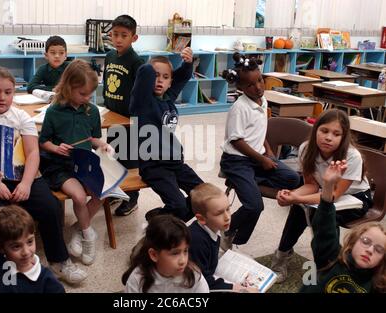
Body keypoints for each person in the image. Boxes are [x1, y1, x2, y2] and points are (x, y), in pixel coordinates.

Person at [0, 66, 87, 285]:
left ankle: (60, 260)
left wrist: (27, 183)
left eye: (8, 92)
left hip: (21, 174)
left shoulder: (21, 116)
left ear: (14, 93)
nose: (2, 97)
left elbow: (32, 153)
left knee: (50, 207)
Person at [272, 109, 373, 283]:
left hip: (355, 198)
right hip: (324, 193)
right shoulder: (305, 148)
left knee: (322, 215)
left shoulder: (351, 156)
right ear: (316, 129)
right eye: (324, 131)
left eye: (336, 134)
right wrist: (291, 195)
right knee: (299, 209)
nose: (328, 137)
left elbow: (332, 195)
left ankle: (329, 265)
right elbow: (311, 185)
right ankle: (282, 254)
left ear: (344, 137)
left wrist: (298, 199)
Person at [220, 53, 300, 249]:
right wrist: (262, 159)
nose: (258, 87)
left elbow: (260, 130)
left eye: (260, 80)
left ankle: (249, 184)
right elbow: (237, 141)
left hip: (256, 158)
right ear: (240, 88)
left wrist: (269, 153)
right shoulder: (240, 108)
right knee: (255, 206)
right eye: (250, 85)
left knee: (293, 179)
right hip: (236, 161)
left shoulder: (262, 101)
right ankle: (228, 231)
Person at [39, 59, 113, 266]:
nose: (87, 98)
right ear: (68, 87)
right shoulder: (54, 111)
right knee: (79, 198)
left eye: (90, 94)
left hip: (85, 163)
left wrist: (103, 145)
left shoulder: (91, 111)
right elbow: (43, 141)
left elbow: (93, 138)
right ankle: (89, 236)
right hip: (59, 165)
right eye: (82, 94)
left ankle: (78, 228)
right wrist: (57, 148)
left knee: (105, 191)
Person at [130, 47, 204, 222]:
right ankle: (159, 223)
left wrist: (187, 63)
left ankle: (165, 218)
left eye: (165, 77)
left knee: (203, 196)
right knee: (179, 205)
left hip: (175, 162)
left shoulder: (168, 97)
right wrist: (149, 67)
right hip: (153, 166)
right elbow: (143, 76)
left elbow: (182, 77)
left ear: (171, 82)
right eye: (155, 76)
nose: (159, 81)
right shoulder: (143, 101)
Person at [0, 170, 65, 293]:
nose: (26, 252)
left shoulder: (47, 281)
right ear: (1, 247)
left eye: (30, 242)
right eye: (16, 246)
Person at [301, 160, 386, 293]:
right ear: (353, 242)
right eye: (365, 241)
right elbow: (325, 228)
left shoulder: (377, 284)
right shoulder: (331, 257)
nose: (370, 250)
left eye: (379, 250)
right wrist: (328, 186)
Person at [103, 15, 144, 216]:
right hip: (112, 117)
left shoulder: (137, 62)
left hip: (130, 120)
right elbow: (106, 80)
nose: (118, 39)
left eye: (124, 35)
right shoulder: (110, 56)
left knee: (130, 160)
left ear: (133, 38)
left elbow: (141, 92)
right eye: (115, 34)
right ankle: (117, 191)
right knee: (113, 157)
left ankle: (133, 198)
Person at [188, 183, 258, 293]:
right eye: (219, 213)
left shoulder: (211, 229)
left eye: (228, 209)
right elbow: (202, 281)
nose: (227, 217)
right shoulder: (197, 242)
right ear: (201, 219)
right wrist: (238, 288)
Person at [122, 214, 209, 293]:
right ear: (154, 255)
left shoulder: (194, 276)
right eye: (175, 253)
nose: (183, 261)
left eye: (185, 251)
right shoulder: (137, 279)